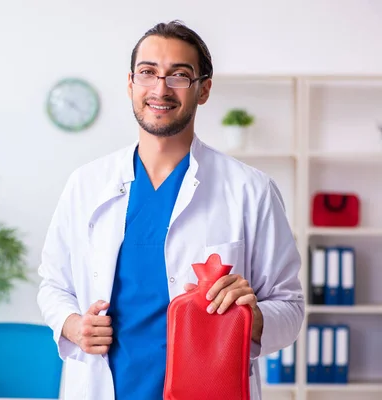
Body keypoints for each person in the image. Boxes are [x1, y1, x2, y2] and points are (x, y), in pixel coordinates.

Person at [37, 20, 304, 400]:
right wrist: (71, 324)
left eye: (179, 75)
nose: (160, 88)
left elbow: (290, 307)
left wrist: (251, 318)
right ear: (131, 83)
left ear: (204, 89)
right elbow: (53, 285)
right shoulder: (86, 184)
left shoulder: (250, 189)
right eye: (148, 72)